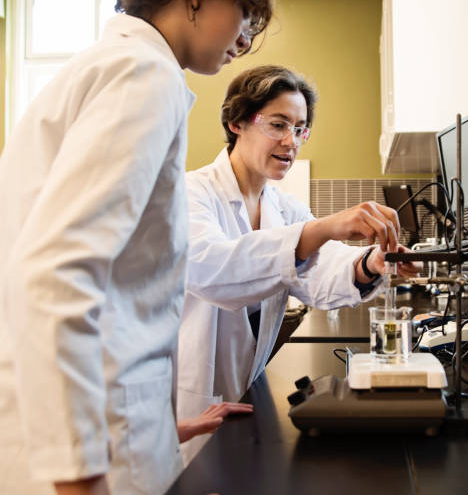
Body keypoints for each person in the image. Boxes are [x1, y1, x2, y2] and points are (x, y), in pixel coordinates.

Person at [0, 0, 274, 495]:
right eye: (246, 15)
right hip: (82, 492)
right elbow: (54, 275)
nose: (246, 40)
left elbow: (113, 293)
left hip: (99, 439)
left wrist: (156, 424)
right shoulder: (143, 73)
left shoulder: (108, 66)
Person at [178, 65, 420, 437]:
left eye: (300, 128)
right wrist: (324, 227)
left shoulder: (283, 207)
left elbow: (320, 270)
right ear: (237, 122)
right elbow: (215, 273)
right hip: (191, 403)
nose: (291, 141)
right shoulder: (191, 193)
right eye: (278, 125)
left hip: (247, 393)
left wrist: (371, 263)